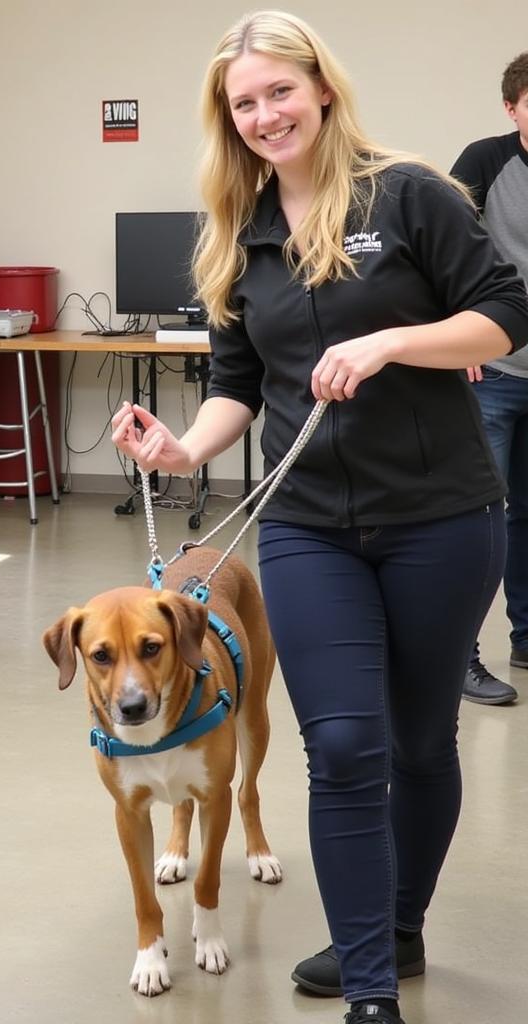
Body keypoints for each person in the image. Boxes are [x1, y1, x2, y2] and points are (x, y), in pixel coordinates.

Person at [111, 11, 528, 1024]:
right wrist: (181, 449)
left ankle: (398, 920)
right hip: (307, 526)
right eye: (242, 103)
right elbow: (237, 382)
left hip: (439, 515)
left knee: (420, 742)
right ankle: (371, 994)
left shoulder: (411, 192)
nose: (263, 115)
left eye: (277, 92)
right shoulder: (236, 230)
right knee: (341, 744)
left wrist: (392, 342)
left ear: (321, 88)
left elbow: (505, 312)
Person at [451, 52, 528, 707]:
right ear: (513, 107)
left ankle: (526, 638)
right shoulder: (485, 161)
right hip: (495, 375)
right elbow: (432, 246)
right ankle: (460, 658)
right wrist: (456, 328)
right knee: (479, 521)